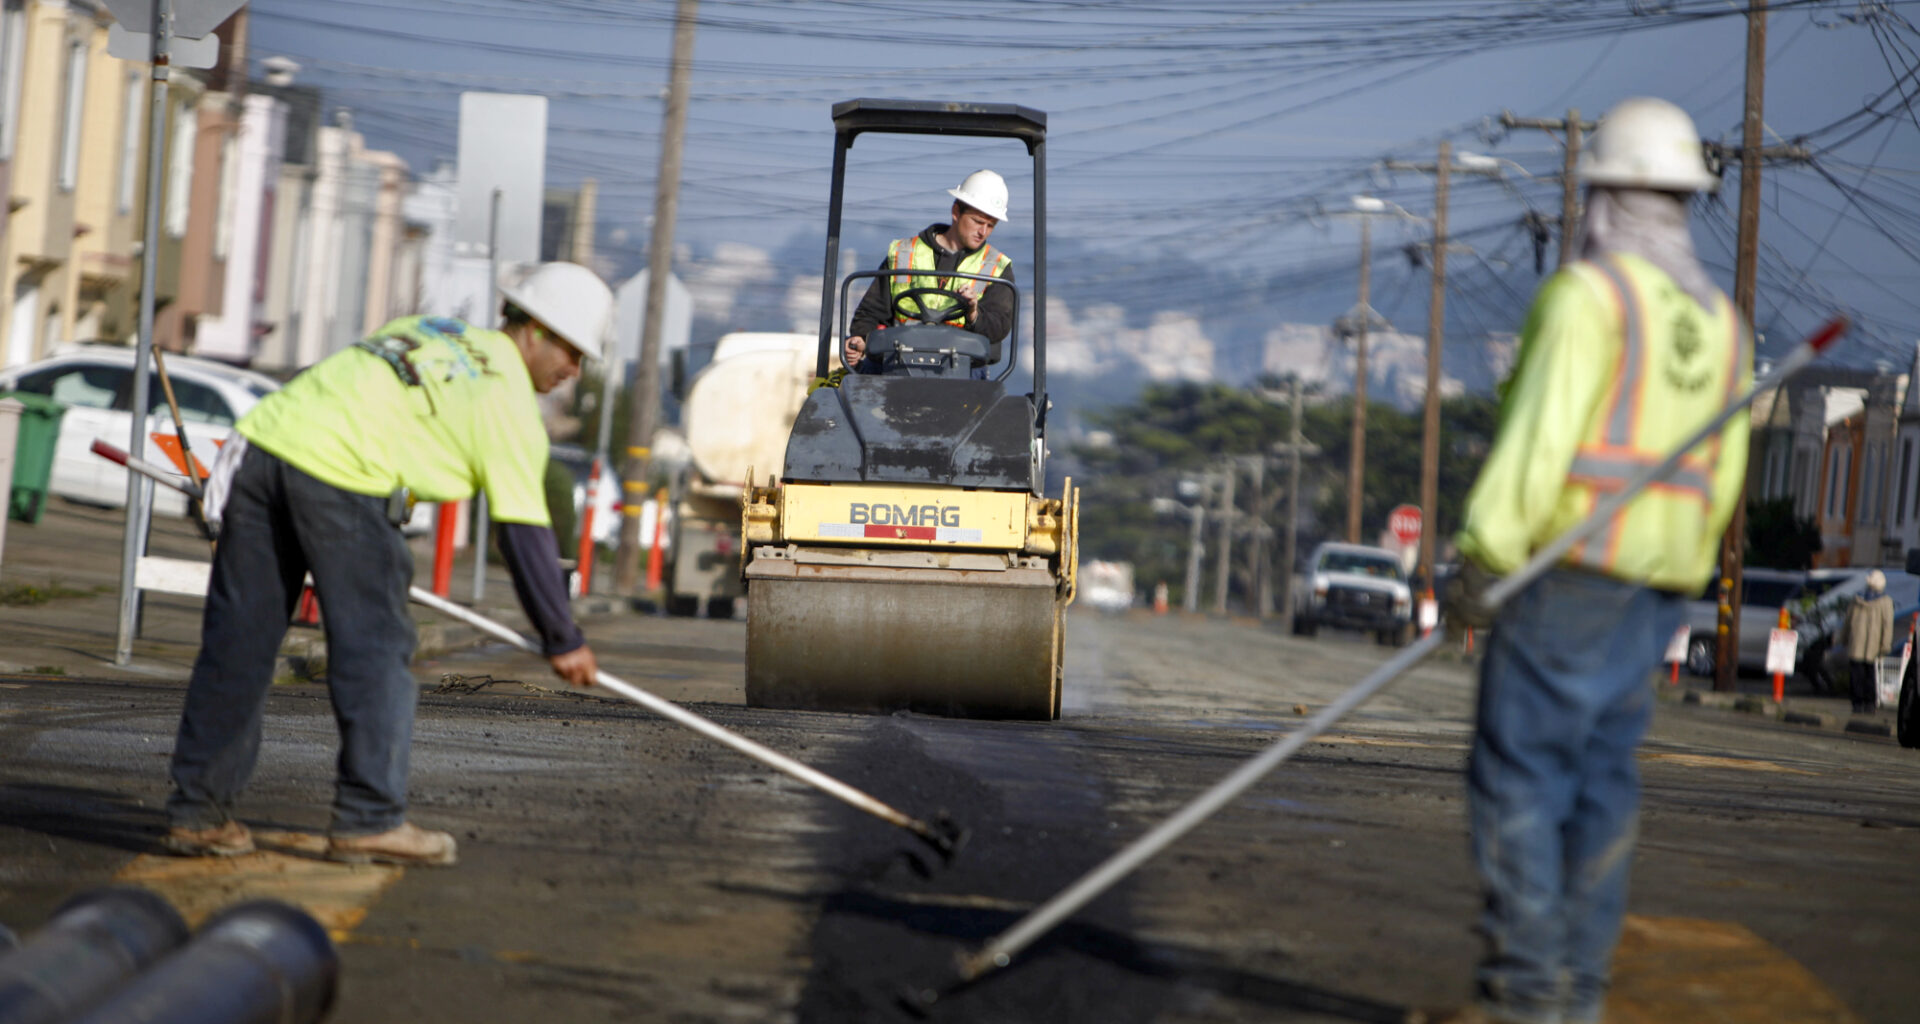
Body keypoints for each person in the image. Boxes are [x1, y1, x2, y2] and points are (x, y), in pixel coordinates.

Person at [1431, 98, 1750, 1024]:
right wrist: (1680, 570)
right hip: (1656, 591)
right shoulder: (1723, 323)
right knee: (1602, 785)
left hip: (1566, 578)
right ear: (1683, 200)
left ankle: (1530, 994)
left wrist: (1482, 563)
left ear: (1603, 193)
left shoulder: (1590, 297)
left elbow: (1537, 445)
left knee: (1522, 776)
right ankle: (1578, 996)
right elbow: (1723, 475)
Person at [162, 261, 613, 867]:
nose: (573, 371)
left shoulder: (429, 330)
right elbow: (523, 532)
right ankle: (369, 818)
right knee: (376, 647)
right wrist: (563, 637)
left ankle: (198, 813)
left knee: (240, 641)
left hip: (264, 447)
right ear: (535, 329)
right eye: (573, 352)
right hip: (342, 475)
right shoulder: (505, 399)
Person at [841, 170, 1017, 376]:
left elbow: (998, 327)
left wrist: (973, 314)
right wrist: (861, 339)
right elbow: (871, 311)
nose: (983, 232)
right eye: (978, 221)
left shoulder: (996, 268)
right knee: (856, 386)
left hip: (963, 369)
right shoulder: (904, 253)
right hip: (897, 362)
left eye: (991, 225)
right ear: (956, 212)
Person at [1843, 570, 1894, 714]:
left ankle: (1857, 703)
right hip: (1874, 644)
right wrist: (1885, 645)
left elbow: (1847, 621)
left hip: (1856, 642)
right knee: (1870, 674)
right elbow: (1887, 625)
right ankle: (1870, 703)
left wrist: (1844, 638)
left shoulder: (1857, 599)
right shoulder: (1885, 602)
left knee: (1856, 674)